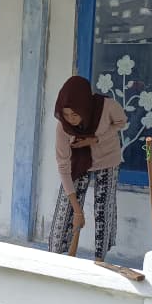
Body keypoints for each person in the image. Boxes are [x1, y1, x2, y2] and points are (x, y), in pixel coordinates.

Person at [48, 75, 128, 261]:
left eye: (75, 114)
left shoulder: (107, 107)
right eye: (66, 114)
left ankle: (100, 259)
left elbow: (121, 122)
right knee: (66, 207)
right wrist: (77, 210)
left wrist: (97, 139)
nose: (71, 119)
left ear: (84, 106)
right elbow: (63, 166)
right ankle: (57, 257)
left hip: (107, 159)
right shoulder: (63, 127)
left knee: (103, 209)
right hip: (79, 163)